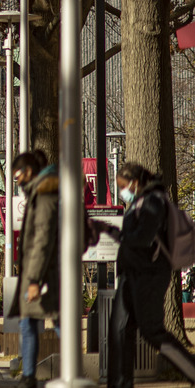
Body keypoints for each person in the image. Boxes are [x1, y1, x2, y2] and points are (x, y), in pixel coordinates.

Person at [97, 162, 195, 388]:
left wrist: (112, 232)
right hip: (131, 274)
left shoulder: (153, 201)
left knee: (152, 330)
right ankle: (119, 383)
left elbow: (142, 238)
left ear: (135, 182)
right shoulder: (140, 202)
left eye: (123, 186)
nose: (123, 191)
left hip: (148, 275)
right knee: (119, 331)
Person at [6, 151, 58, 388]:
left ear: (28, 171)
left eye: (18, 177)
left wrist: (35, 278)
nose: (18, 182)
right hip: (41, 272)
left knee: (58, 322)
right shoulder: (41, 192)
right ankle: (28, 376)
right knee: (29, 323)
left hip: (47, 273)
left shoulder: (45, 193)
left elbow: (42, 238)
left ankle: (70, 370)